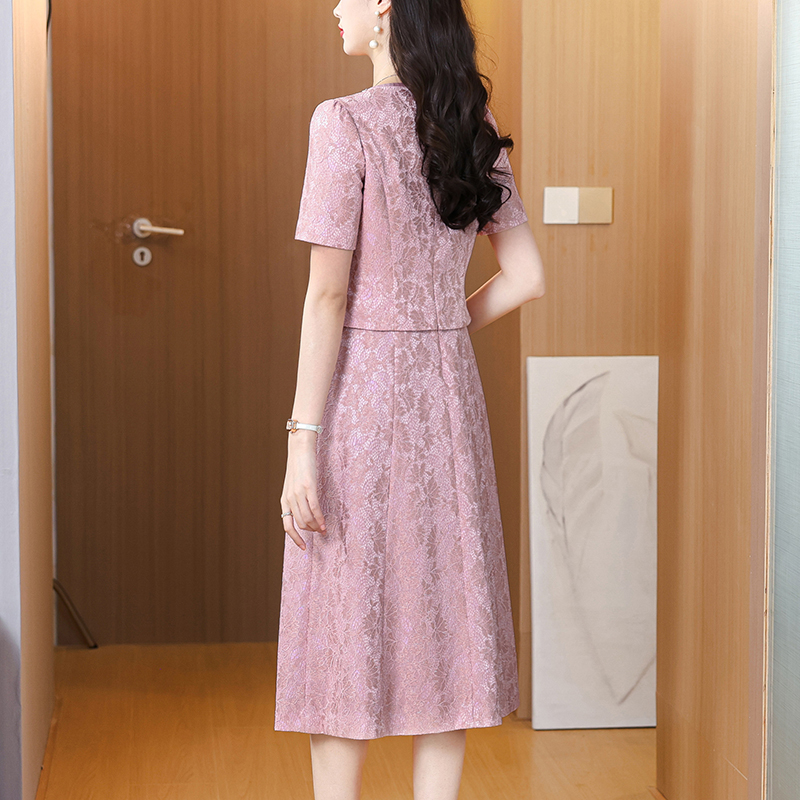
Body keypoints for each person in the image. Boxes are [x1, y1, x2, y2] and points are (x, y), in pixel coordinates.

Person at [274, 0, 545, 797]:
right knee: (444, 634)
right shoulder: (470, 124)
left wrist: (301, 439)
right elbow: (527, 278)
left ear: (387, 5)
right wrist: (437, 322)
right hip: (447, 401)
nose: (337, 8)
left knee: (342, 626)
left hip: (362, 404)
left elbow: (327, 298)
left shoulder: (344, 123)